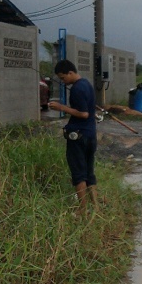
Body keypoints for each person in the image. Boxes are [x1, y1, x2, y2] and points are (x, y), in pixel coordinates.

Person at [48, 60, 98, 214]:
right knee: (89, 172)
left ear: (70, 72)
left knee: (79, 173)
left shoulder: (77, 89)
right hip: (91, 134)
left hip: (79, 136)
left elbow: (83, 113)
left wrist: (61, 107)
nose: (63, 81)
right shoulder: (87, 85)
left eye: (63, 78)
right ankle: (95, 207)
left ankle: (82, 210)